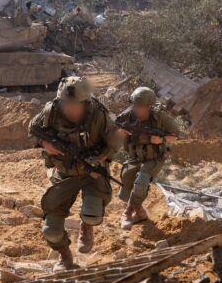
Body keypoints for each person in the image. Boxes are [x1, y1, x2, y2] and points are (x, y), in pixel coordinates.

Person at [29, 76, 117, 270]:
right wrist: (45, 143)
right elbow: (32, 129)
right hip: (64, 173)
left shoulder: (98, 115)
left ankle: (87, 226)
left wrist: (100, 158)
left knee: (92, 213)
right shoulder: (50, 112)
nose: (71, 109)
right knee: (51, 231)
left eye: (76, 105)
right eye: (66, 104)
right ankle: (65, 256)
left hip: (92, 174)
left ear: (85, 103)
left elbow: (116, 141)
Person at [116, 87, 181, 230]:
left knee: (141, 181)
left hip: (154, 158)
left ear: (149, 106)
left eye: (142, 107)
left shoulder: (160, 117)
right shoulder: (127, 115)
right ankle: (140, 212)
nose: (138, 109)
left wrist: (161, 139)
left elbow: (176, 135)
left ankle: (127, 213)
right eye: (136, 106)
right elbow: (114, 130)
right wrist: (120, 133)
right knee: (125, 187)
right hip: (135, 157)